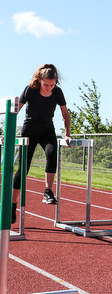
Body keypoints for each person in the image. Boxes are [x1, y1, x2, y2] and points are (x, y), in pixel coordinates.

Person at [10, 64, 71, 224]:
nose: (49, 88)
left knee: (52, 152)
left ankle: (48, 191)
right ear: (39, 80)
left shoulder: (57, 92)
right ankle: (12, 205)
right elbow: (16, 110)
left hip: (46, 130)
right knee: (23, 170)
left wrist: (67, 134)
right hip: (29, 131)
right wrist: (8, 132)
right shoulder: (30, 89)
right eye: (46, 85)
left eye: (52, 85)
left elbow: (65, 114)